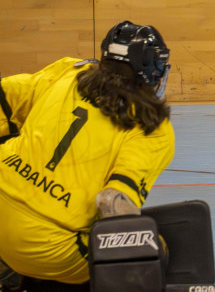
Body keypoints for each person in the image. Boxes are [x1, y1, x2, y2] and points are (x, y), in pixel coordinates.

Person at [0, 21, 174, 290]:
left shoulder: (69, 71)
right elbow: (113, 203)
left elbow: (5, 95)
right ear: (152, 70)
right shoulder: (153, 128)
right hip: (48, 247)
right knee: (154, 246)